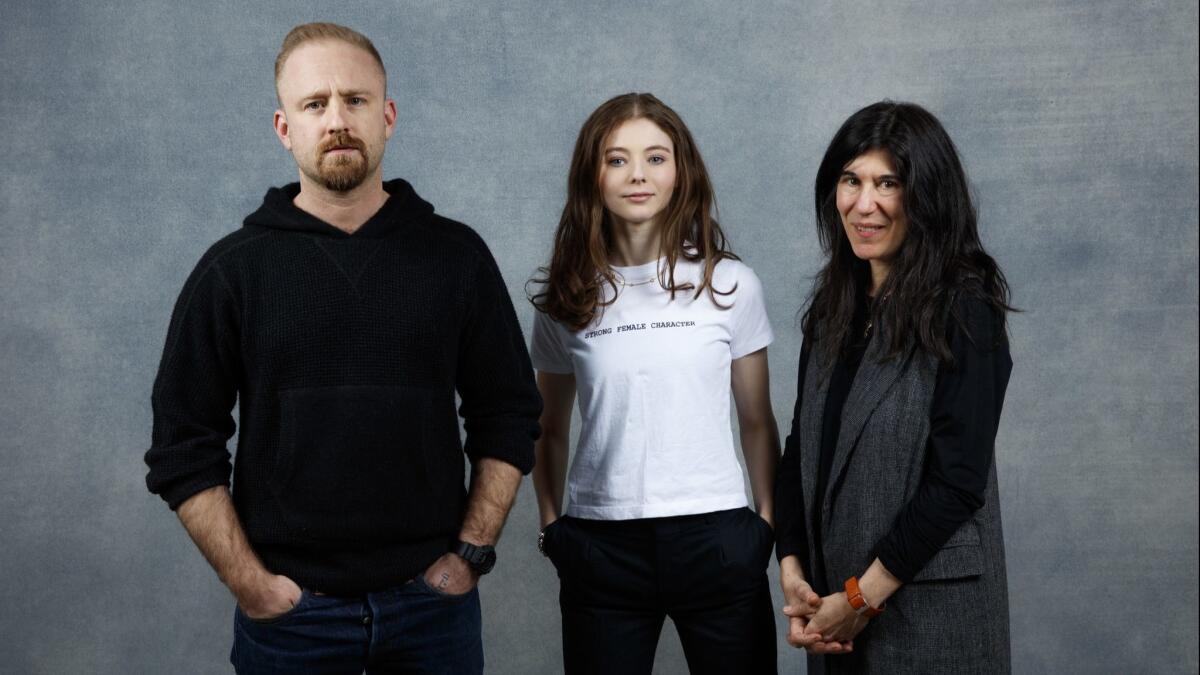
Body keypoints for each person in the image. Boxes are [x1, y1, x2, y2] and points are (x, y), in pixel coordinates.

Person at [143, 22, 540, 674]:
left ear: (387, 116)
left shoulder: (455, 257)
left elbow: (510, 414)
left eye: (355, 100)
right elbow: (182, 444)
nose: (337, 119)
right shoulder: (232, 271)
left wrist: (470, 553)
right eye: (314, 104)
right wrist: (250, 582)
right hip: (293, 618)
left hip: (431, 609)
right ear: (284, 127)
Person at [528, 92, 780, 674]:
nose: (637, 174)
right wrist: (551, 528)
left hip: (717, 538)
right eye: (617, 159)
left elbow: (758, 421)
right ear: (592, 175)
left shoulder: (731, 284)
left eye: (656, 158)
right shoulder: (567, 296)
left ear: (681, 170)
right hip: (601, 545)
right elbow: (547, 427)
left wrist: (763, 526)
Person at [774, 100, 1014, 674]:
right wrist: (792, 568)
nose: (864, 204)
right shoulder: (832, 310)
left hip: (930, 616)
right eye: (850, 180)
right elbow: (802, 449)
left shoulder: (965, 307)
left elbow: (957, 482)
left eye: (889, 183)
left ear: (926, 196)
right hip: (834, 616)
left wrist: (860, 599)